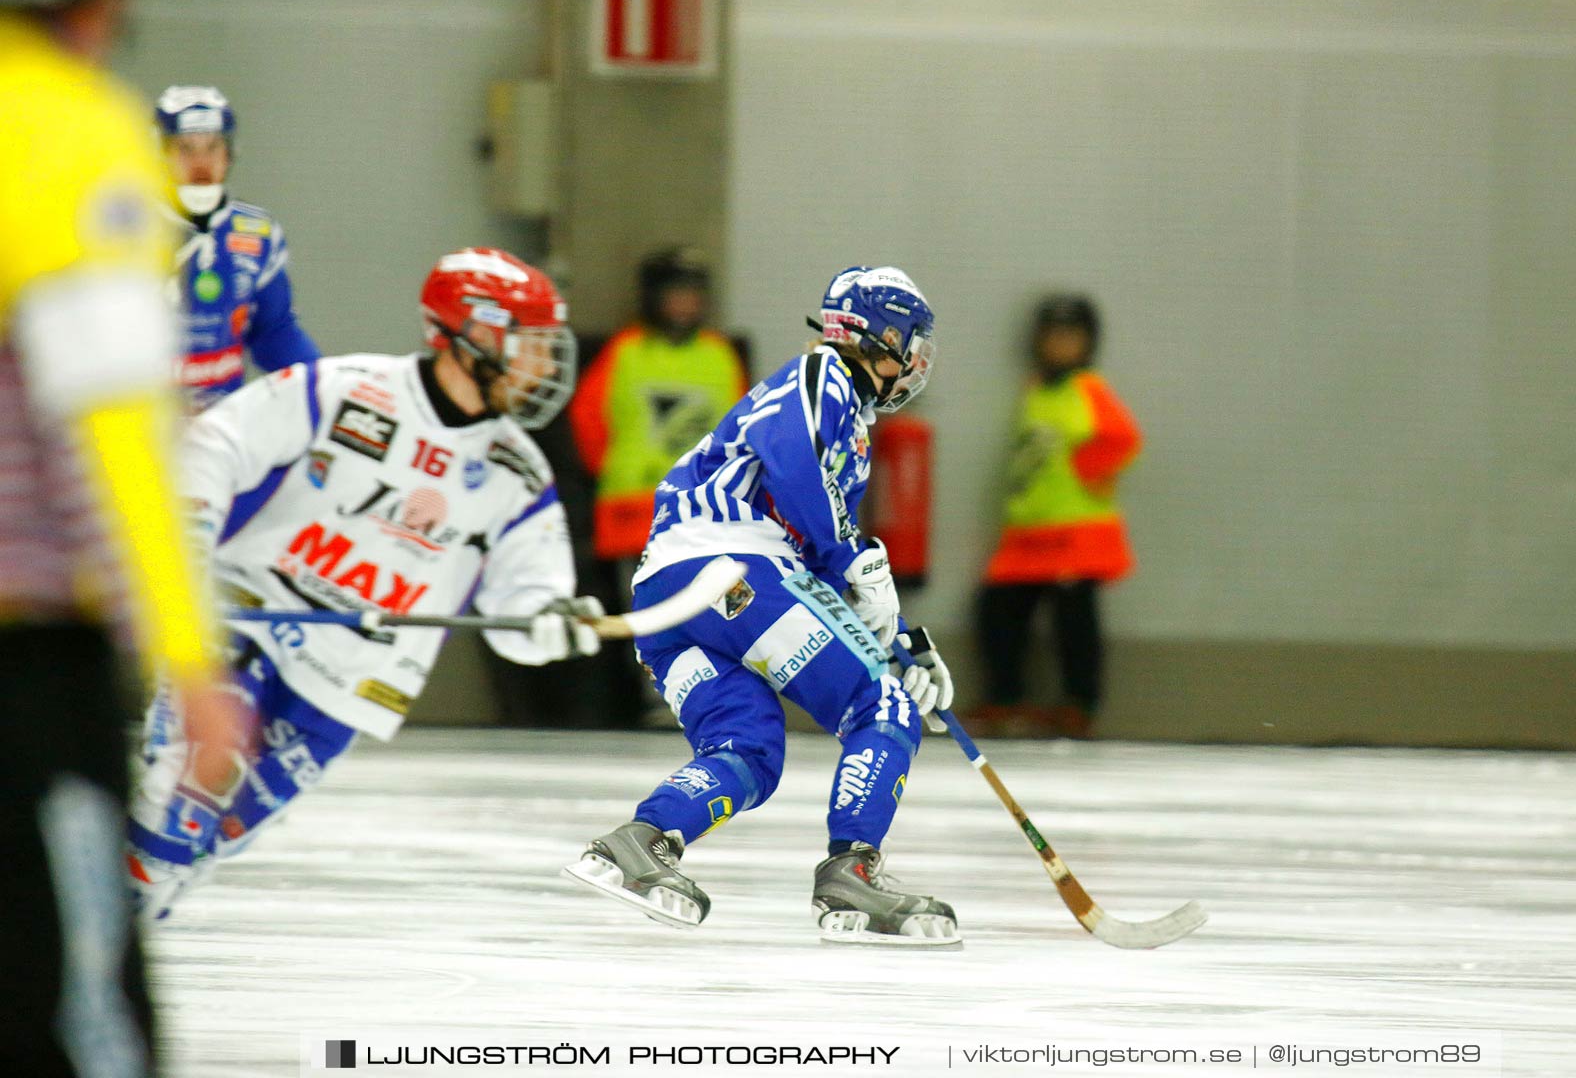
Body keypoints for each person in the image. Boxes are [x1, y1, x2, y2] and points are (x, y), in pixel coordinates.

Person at [126, 248, 605, 921]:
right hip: (247, 622)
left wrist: (546, 620)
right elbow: (218, 443)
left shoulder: (517, 473)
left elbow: (522, 599)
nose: (544, 367)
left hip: (352, 684)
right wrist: (191, 532)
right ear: (466, 336)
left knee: (210, 844)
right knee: (175, 811)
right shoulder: (343, 389)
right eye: (529, 345)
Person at [0, 0, 243, 1074]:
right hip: (23, 669)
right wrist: (188, 663)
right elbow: (113, 436)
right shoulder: (64, 130)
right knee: (78, 1013)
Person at [564, 266, 959, 947]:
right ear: (885, 334)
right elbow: (799, 477)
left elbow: (811, 560)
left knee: (748, 747)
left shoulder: (839, 407)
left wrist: (899, 644)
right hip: (733, 567)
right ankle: (852, 871)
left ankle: (640, 842)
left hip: (674, 588)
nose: (918, 360)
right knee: (882, 707)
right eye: (913, 341)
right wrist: (856, 561)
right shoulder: (825, 378)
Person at [564, 247, 747, 726]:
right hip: (635, 512)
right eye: (674, 296)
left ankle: (704, 701)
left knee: (707, 610)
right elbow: (588, 422)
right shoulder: (624, 353)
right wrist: (623, 471)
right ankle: (657, 701)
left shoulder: (719, 356)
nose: (684, 306)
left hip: (704, 515)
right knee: (646, 612)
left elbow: (743, 431)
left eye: (693, 296)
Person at [970, 295, 1141, 740]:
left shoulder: (1089, 390)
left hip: (1076, 533)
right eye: (1053, 337)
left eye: (1071, 338)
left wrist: (1090, 470)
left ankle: (1079, 704)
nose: (1060, 347)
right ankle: (1006, 698)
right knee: (997, 611)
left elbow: (1122, 438)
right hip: (1029, 532)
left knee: (1074, 623)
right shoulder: (1035, 390)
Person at [155, 83, 320, 411]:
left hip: (222, 425)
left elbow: (274, 332)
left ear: (229, 153)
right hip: (145, 424)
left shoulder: (256, 232)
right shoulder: (130, 227)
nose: (200, 163)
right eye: (185, 148)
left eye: (212, 147)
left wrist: (324, 388)